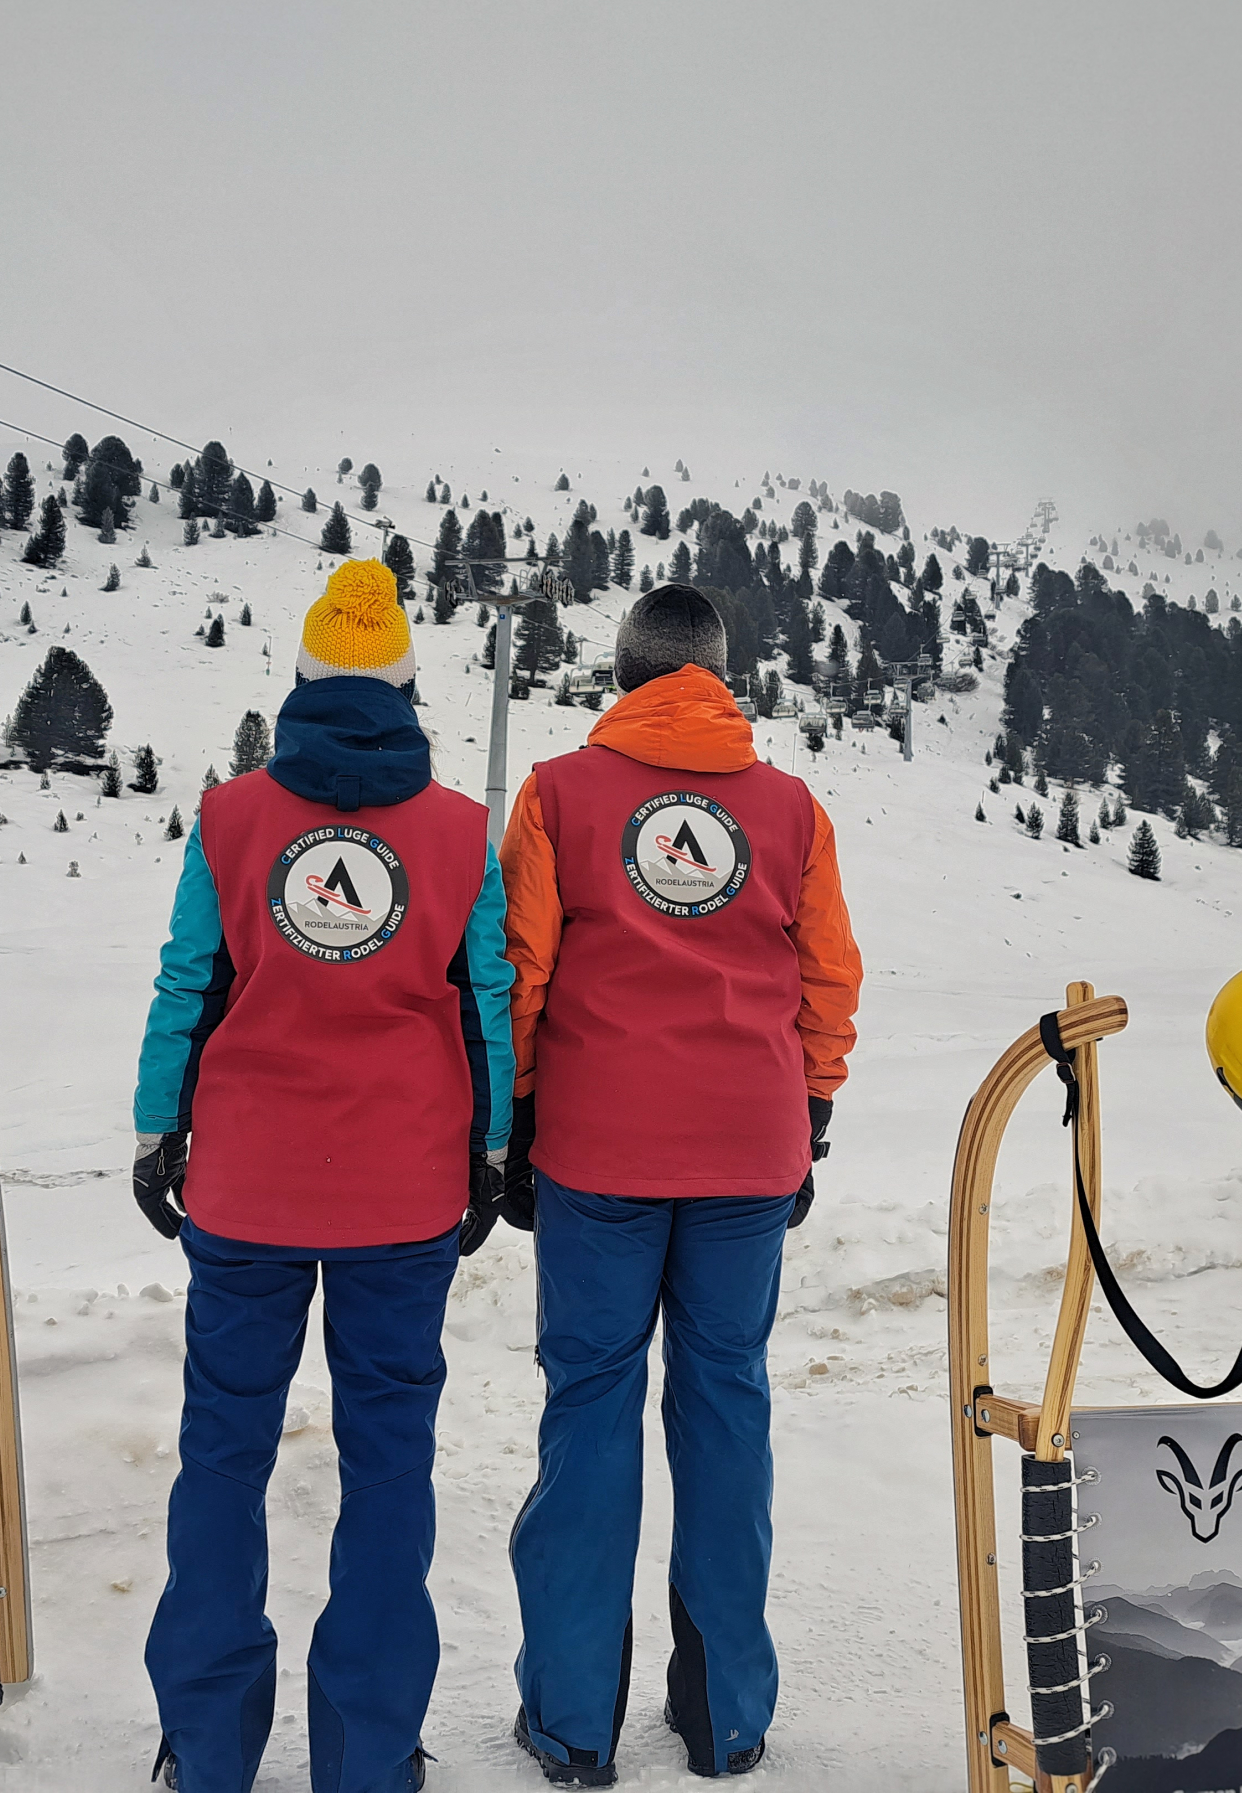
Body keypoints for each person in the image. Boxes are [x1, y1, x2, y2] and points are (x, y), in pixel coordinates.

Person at [131, 560, 515, 1793]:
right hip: (400, 1199)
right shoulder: (460, 833)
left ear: (297, 682)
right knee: (389, 1467)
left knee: (222, 1458)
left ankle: (205, 1750)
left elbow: (188, 982)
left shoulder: (232, 816)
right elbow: (489, 1004)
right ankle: (367, 1756)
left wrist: (156, 1131)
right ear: (410, 693)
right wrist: (492, 1150)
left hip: (245, 1193)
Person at [496, 584, 861, 1784]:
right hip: (748, 1155)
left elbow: (521, 974)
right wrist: (806, 1108)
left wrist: (519, 1121)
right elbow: (827, 975)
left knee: (589, 1413)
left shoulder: (557, 792)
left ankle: (573, 1725)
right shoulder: (791, 808)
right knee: (725, 1412)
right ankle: (725, 1721)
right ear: (719, 676)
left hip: (597, 1154)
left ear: (620, 674)